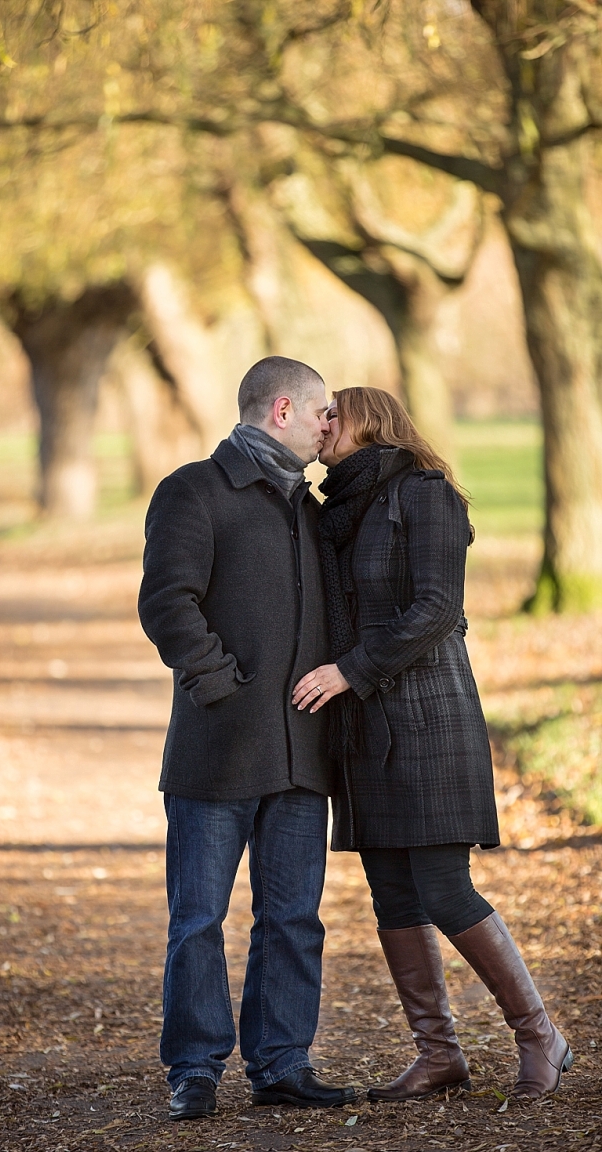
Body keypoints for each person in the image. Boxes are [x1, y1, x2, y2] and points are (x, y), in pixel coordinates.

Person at [293, 386, 572, 1102]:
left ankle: (540, 1035)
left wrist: (349, 670)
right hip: (363, 726)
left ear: (372, 423)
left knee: (445, 889)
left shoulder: (425, 495)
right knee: (392, 894)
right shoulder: (331, 514)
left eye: (335, 414)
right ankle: (438, 1053)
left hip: (429, 719)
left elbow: (437, 608)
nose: (323, 425)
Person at [138, 356, 355, 1120]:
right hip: (217, 749)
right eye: (324, 411)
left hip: (302, 752)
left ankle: (282, 1062)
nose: (331, 425)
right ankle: (194, 1068)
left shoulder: (311, 505)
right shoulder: (193, 489)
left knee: (293, 917)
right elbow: (168, 603)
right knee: (197, 918)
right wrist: (221, 686)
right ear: (285, 409)